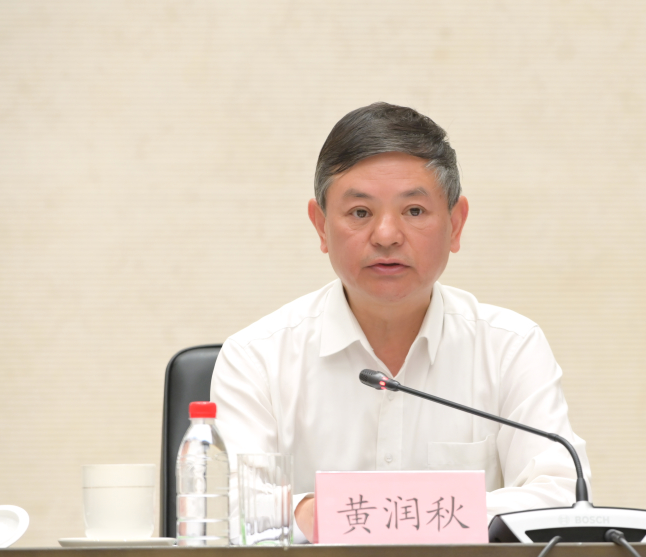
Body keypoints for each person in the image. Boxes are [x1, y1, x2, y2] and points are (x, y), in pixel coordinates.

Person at [210, 102, 590, 543]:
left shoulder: (510, 347)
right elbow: (231, 508)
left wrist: (356, 512)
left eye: (413, 211)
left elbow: (561, 496)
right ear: (320, 225)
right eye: (360, 212)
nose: (386, 235)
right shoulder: (256, 357)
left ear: (455, 224)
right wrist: (438, 512)